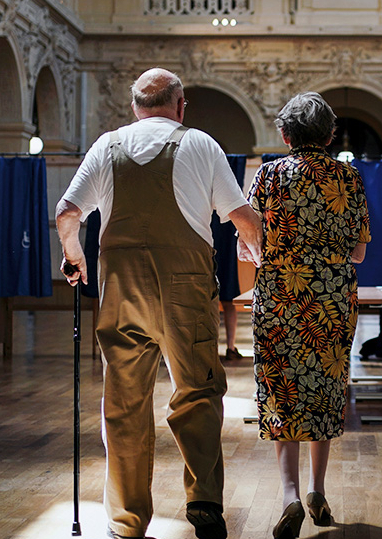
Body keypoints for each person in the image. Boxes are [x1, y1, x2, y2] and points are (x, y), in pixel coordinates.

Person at [56, 68, 263, 539]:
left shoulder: (107, 145)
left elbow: (67, 212)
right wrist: (254, 251)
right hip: (184, 289)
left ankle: (126, 522)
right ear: (180, 104)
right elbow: (241, 217)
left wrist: (74, 259)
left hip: (120, 289)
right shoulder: (200, 144)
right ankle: (205, 504)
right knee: (198, 392)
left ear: (134, 107)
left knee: (124, 402)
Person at [246, 93, 369, 539]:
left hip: (279, 295)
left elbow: (249, 242)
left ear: (284, 134)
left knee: (282, 391)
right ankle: (319, 491)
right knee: (325, 389)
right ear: (331, 134)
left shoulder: (269, 175)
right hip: (333, 298)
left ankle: (289, 495)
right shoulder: (348, 177)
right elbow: (358, 253)